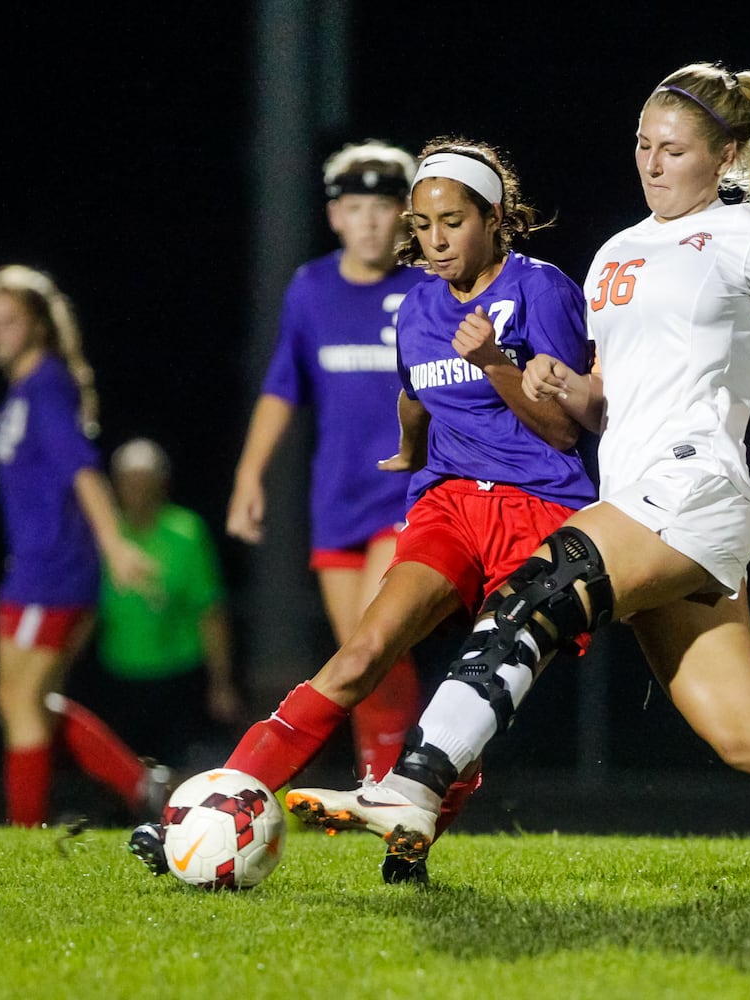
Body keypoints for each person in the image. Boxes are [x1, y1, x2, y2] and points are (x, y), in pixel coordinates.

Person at [286, 62, 750, 895]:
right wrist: (565, 389)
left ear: (728, 156)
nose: (650, 163)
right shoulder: (615, 254)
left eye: (671, 150)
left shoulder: (747, 237)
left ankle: (415, 784)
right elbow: (607, 402)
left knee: (534, 589)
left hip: (696, 489)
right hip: (637, 498)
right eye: (642, 145)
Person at [130, 136, 598, 884]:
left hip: (535, 511)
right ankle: (203, 814)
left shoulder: (542, 289)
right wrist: (412, 447)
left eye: (451, 221)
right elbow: (414, 392)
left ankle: (409, 834)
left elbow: (565, 430)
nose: (434, 240)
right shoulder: (416, 303)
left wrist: (495, 365)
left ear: (495, 217)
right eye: (422, 224)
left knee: (474, 691)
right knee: (358, 653)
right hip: (446, 502)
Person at [224, 140, 429, 781]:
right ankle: (384, 782)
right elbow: (284, 384)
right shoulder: (311, 288)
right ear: (335, 216)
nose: (370, 220)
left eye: (384, 206)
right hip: (337, 500)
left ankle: (405, 786)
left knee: (375, 637)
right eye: (356, 207)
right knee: (361, 653)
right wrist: (248, 475)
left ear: (405, 215)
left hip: (407, 495)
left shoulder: (427, 288)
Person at [0, 263, 169, 828]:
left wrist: (113, 546)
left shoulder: (45, 384)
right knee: (19, 702)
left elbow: (83, 472)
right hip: (31, 566)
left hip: (56, 569)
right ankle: (141, 785)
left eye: (8, 321)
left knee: (22, 705)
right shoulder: (25, 387)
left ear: (37, 325)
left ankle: (25, 832)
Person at [89, 437, 245, 770]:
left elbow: (210, 611)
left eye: (146, 483)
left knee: (178, 767)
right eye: (129, 483)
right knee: (120, 769)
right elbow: (85, 610)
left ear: (163, 484)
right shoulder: (106, 534)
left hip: (178, 672)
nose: (137, 492)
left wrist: (221, 683)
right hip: (117, 672)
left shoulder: (187, 530)